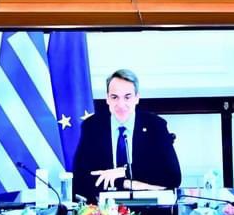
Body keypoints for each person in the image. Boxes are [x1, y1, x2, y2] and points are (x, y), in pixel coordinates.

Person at [72, 69, 181, 202]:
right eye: (114, 97)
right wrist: (126, 182)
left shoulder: (155, 126)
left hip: (148, 208)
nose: (121, 104)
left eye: (127, 97)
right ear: (107, 98)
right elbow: (80, 180)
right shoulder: (92, 126)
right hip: (104, 209)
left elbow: (172, 176)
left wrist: (124, 172)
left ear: (137, 98)